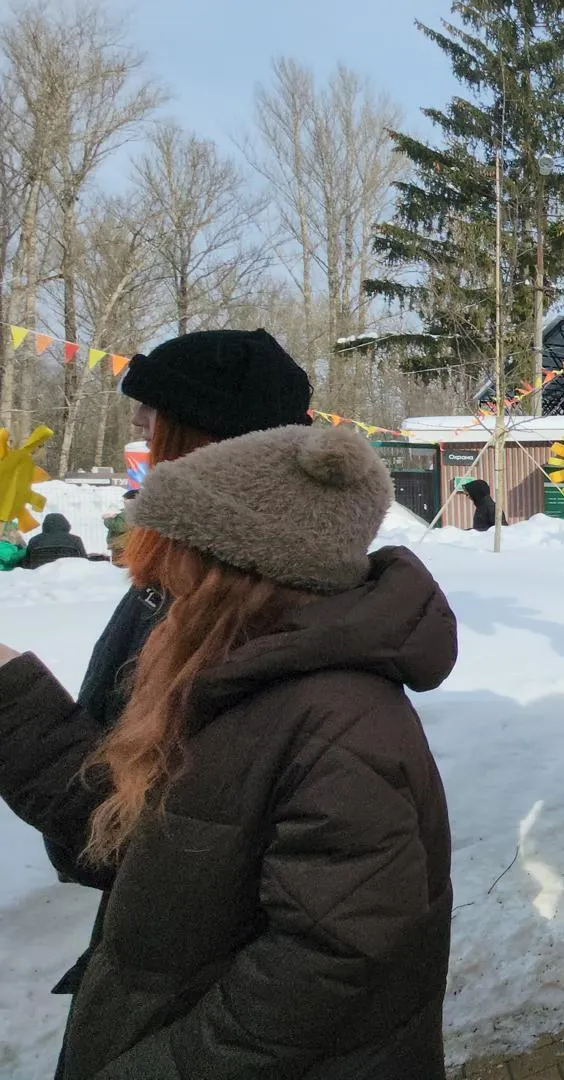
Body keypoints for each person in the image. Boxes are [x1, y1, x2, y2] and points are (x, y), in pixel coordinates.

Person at [0, 423, 456, 1078]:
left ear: (235, 573)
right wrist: (12, 695)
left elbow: (326, 965)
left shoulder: (344, 726)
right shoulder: (234, 681)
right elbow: (150, 845)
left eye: (179, 552)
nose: (156, 576)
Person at [0, 328, 314, 985]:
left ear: (208, 451)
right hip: (156, 965)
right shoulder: (179, 586)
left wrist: (10, 695)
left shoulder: (255, 614)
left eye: (153, 436)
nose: (139, 461)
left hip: (195, 988)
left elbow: (158, 841)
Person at [23, 512, 88, 569]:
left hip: (41, 579)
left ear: (45, 525)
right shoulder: (75, 540)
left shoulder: (34, 541)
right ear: (66, 524)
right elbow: (84, 561)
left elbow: (27, 564)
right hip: (69, 577)